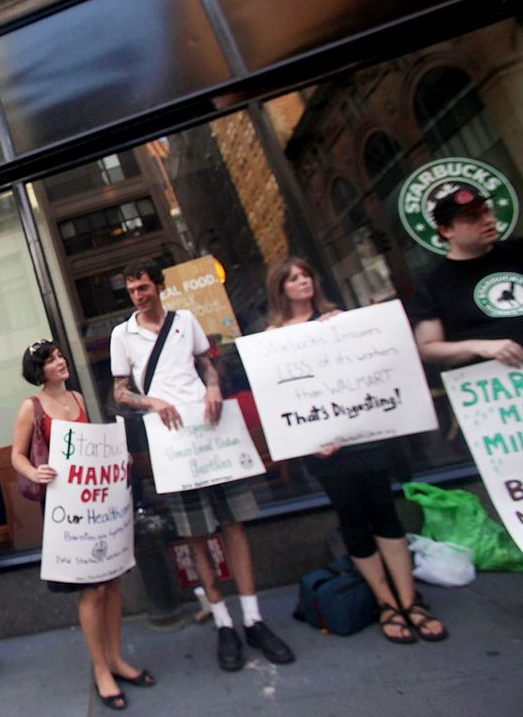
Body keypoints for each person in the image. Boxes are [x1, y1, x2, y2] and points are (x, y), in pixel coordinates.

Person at [111, 262, 294, 672]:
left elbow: (207, 362)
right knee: (195, 534)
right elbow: (120, 392)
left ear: (159, 286)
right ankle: (224, 622)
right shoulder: (123, 335)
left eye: (144, 287)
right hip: (172, 439)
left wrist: (213, 386)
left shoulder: (185, 320)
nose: (139, 295)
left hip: (212, 430)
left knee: (235, 524)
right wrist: (152, 401)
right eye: (132, 290)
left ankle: (254, 618)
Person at [267, 257, 447, 643]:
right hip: (324, 449)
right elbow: (284, 397)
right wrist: (310, 440)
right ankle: (386, 602)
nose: (303, 282)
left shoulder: (338, 320)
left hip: (364, 435)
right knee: (351, 515)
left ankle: (409, 598)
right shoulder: (274, 337)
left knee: (383, 509)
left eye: (306, 275)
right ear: (280, 289)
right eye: (293, 279)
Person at [11, 340, 154, 711]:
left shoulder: (77, 397)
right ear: (39, 370)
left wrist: (115, 456)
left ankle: (117, 657)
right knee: (92, 590)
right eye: (52, 359)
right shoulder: (32, 407)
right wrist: (35, 472)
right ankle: (101, 668)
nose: (60, 361)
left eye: (60, 356)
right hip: (64, 506)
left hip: (96, 503)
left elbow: (90, 444)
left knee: (112, 580)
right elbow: (17, 455)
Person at [413, 185, 523, 369]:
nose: (488, 220)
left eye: (487, 211)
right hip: (495, 386)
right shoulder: (433, 283)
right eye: (473, 217)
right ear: (447, 230)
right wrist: (479, 346)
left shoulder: (519, 252)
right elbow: (428, 348)